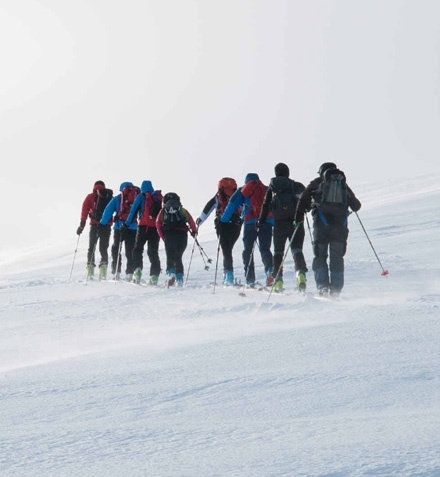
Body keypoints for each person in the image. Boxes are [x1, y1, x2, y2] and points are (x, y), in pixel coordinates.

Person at [294, 162, 361, 296]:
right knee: (337, 257)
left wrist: (298, 219)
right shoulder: (343, 184)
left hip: (321, 226)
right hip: (340, 227)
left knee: (320, 255)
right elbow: (356, 206)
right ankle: (336, 289)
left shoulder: (316, 183)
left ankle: (322, 287)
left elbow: (302, 203)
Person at [259, 162, 307, 292]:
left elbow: (265, 205)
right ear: (288, 172)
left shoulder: (272, 188)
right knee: (297, 250)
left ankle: (278, 281)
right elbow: (306, 202)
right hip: (296, 223)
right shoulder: (296, 186)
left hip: (279, 223)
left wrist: (261, 221)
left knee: (278, 254)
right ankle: (300, 275)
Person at [220, 173, 273, 288]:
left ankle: (250, 279)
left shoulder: (242, 190)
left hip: (250, 223)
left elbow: (231, 205)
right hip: (266, 222)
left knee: (248, 250)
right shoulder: (266, 189)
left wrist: (223, 220)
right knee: (265, 249)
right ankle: (270, 271)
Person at [196, 177, 242, 286]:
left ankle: (229, 275)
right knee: (228, 249)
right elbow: (244, 209)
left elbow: (207, 210)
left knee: (226, 249)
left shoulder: (218, 197)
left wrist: (199, 222)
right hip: (236, 225)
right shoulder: (237, 196)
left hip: (221, 225)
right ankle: (227, 273)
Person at [124, 180, 163, 285]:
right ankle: (154, 276)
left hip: (142, 228)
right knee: (153, 252)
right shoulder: (158, 198)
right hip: (155, 229)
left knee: (137, 250)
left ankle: (137, 271)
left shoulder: (141, 197)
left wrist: (126, 224)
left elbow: (133, 211)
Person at [100, 181, 139, 281]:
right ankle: (130, 273)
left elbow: (108, 211)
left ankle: (116, 272)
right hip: (133, 227)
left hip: (119, 227)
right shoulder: (137, 197)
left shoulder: (118, 198)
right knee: (130, 250)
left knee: (116, 249)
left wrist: (102, 223)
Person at [156, 192, 197, 287]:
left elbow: (158, 224)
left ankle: (171, 274)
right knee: (178, 256)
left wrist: (164, 237)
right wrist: (194, 231)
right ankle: (179, 278)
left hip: (169, 235)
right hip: (182, 235)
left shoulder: (162, 211)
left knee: (170, 255)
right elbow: (191, 221)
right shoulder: (182, 210)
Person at [76, 180, 113, 280]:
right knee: (103, 247)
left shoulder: (90, 197)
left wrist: (81, 225)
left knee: (92, 247)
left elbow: (84, 210)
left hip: (95, 225)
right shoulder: (109, 196)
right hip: (106, 226)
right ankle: (103, 271)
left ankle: (90, 271)